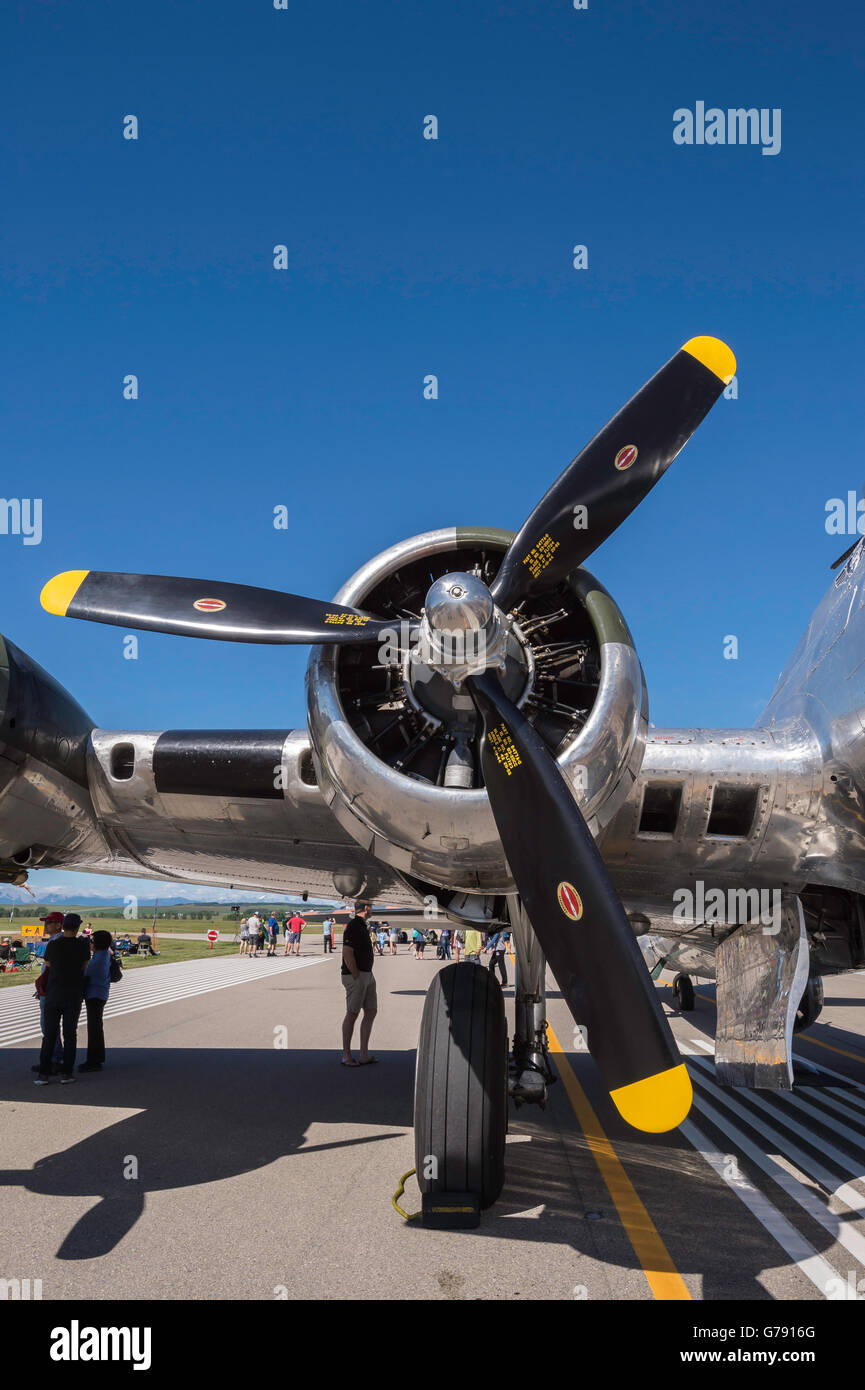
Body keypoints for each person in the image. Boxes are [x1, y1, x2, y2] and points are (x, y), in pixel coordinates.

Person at [35, 913, 90, 1084]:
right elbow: (84, 966)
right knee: (70, 1034)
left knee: (50, 1035)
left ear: (63, 926)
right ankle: (67, 1073)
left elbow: (48, 965)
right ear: (77, 928)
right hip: (73, 995)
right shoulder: (83, 945)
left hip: (53, 994)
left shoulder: (54, 945)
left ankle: (44, 1073)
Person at [340, 902, 377, 1067]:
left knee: (371, 1010)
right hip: (357, 976)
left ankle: (364, 1054)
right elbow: (347, 953)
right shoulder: (354, 926)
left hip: (367, 975)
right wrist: (356, 974)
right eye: (372, 906)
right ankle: (346, 1056)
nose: (373, 909)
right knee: (352, 1014)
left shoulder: (362, 925)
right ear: (366, 908)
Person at [80, 930, 114, 1072]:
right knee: (96, 1027)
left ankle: (93, 1061)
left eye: (92, 941)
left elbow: (85, 974)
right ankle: (97, 1058)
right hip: (101, 993)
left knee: (94, 1029)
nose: (91, 943)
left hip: (95, 995)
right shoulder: (105, 953)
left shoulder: (98, 959)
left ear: (97, 943)